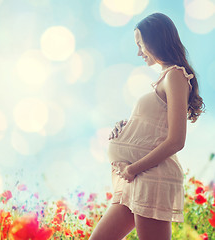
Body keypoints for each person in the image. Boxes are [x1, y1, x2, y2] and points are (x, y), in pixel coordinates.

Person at [89, 13, 205, 240]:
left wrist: (132, 169)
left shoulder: (175, 77)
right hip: (138, 179)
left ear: (156, 41)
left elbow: (176, 140)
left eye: (141, 44)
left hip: (150, 177)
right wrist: (127, 127)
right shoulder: (164, 78)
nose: (139, 52)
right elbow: (155, 127)